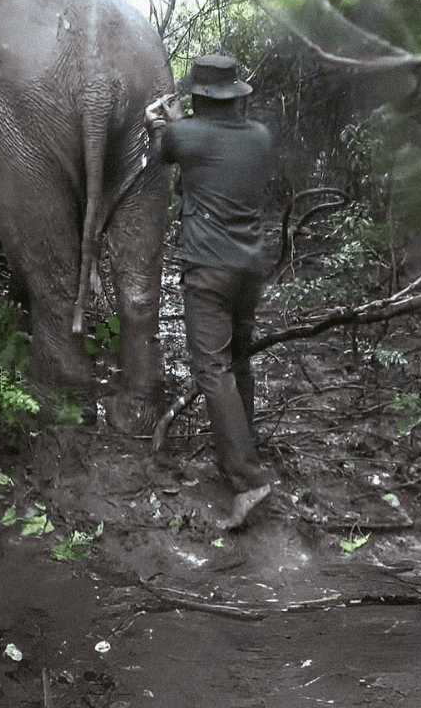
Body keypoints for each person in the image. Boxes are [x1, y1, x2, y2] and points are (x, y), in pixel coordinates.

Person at [145, 54, 274, 528]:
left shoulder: (185, 135)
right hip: (250, 269)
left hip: (208, 270)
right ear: (237, 96)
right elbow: (208, 147)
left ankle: (247, 480)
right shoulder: (259, 138)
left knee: (211, 369)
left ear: (198, 98)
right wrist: (182, 127)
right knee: (239, 360)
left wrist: (157, 124)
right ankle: (244, 454)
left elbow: (164, 152)